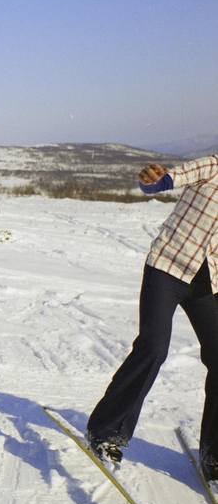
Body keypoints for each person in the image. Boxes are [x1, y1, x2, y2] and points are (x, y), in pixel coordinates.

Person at [86, 156, 218, 480]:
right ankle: (105, 432)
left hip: (208, 283)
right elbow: (163, 181)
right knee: (154, 347)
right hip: (167, 267)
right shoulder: (213, 167)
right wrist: (152, 181)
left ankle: (214, 457)